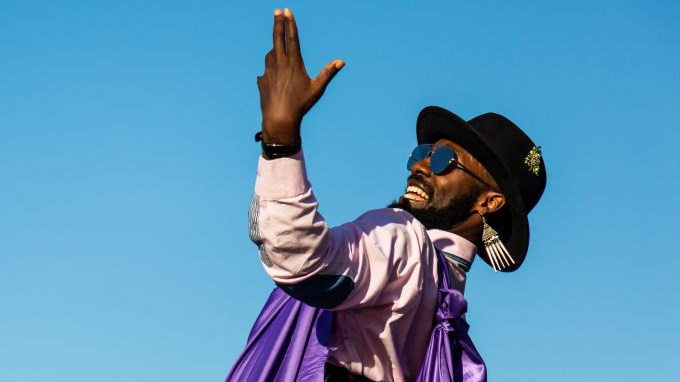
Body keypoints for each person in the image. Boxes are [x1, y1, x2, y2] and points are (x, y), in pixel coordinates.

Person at [227, 8, 546, 382]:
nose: (419, 166)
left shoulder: (403, 240)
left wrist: (280, 142)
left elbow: (301, 261)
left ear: (489, 202)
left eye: (444, 160)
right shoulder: (446, 290)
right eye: (422, 153)